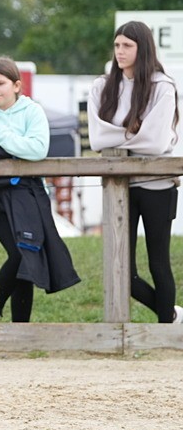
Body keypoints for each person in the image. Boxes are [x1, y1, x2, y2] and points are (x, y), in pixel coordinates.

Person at [0, 56, 79, 322]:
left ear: (16, 85)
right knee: (20, 252)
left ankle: (12, 323)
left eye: (0, 83)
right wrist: (15, 148)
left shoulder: (31, 111)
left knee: (28, 252)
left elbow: (37, 150)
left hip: (26, 194)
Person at [88, 21, 183, 324]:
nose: (120, 51)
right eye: (117, 45)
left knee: (159, 264)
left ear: (142, 48)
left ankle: (167, 331)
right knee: (123, 271)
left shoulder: (162, 87)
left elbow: (156, 143)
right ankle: (173, 318)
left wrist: (121, 138)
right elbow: (98, 139)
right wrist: (134, 135)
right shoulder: (102, 87)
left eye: (127, 45)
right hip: (120, 187)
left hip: (158, 186)